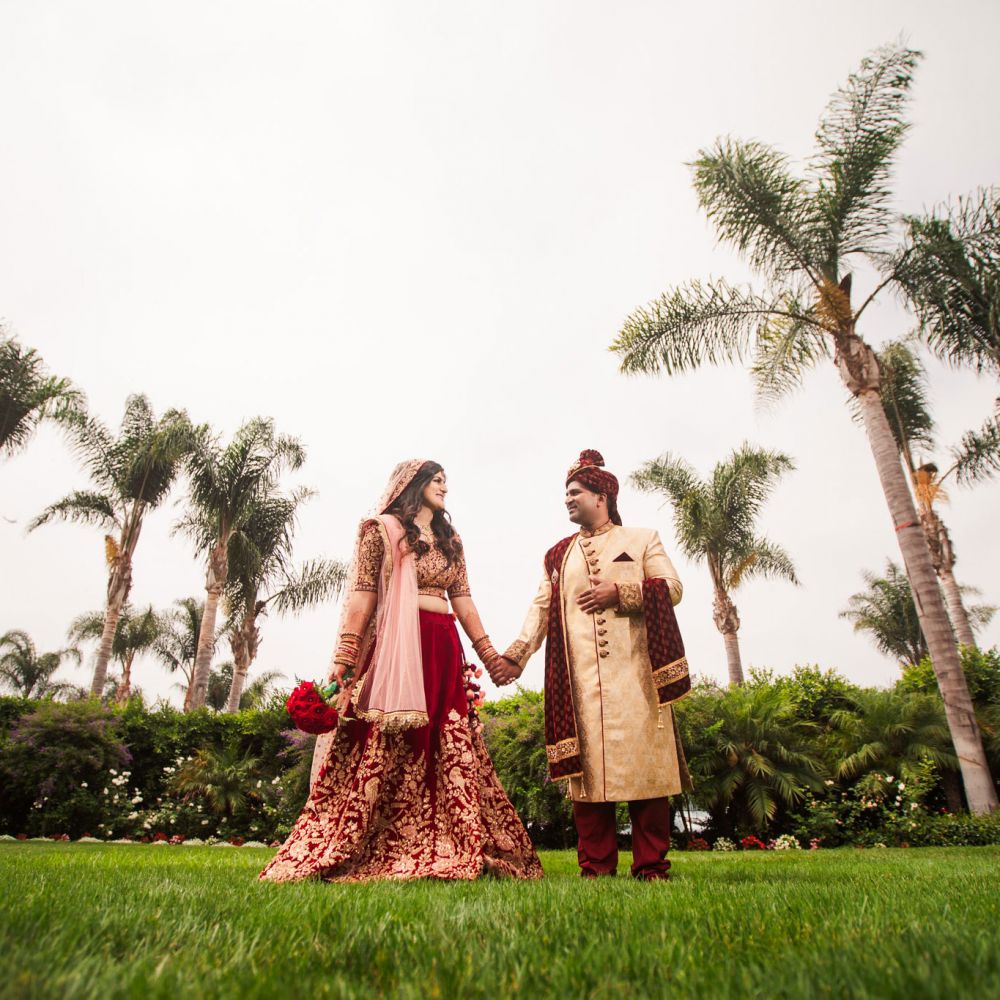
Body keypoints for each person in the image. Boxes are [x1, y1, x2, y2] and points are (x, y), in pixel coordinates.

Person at [260, 459, 542, 883]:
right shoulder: (380, 530)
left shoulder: (452, 540)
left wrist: (489, 655)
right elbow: (362, 595)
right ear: (413, 484)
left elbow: (463, 599)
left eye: (447, 479)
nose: (444, 486)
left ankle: (455, 837)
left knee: (444, 739)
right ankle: (379, 838)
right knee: (388, 738)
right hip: (397, 648)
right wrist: (346, 655)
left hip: (442, 646)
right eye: (436, 479)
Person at [491, 449, 691, 880]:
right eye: (565, 493)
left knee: (648, 774)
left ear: (601, 496)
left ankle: (651, 866)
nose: (567, 499)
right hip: (580, 685)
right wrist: (515, 657)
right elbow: (541, 609)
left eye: (575, 492)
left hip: (638, 679)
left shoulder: (641, 539)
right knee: (588, 778)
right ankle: (596, 868)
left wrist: (620, 593)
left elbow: (672, 588)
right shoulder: (557, 555)